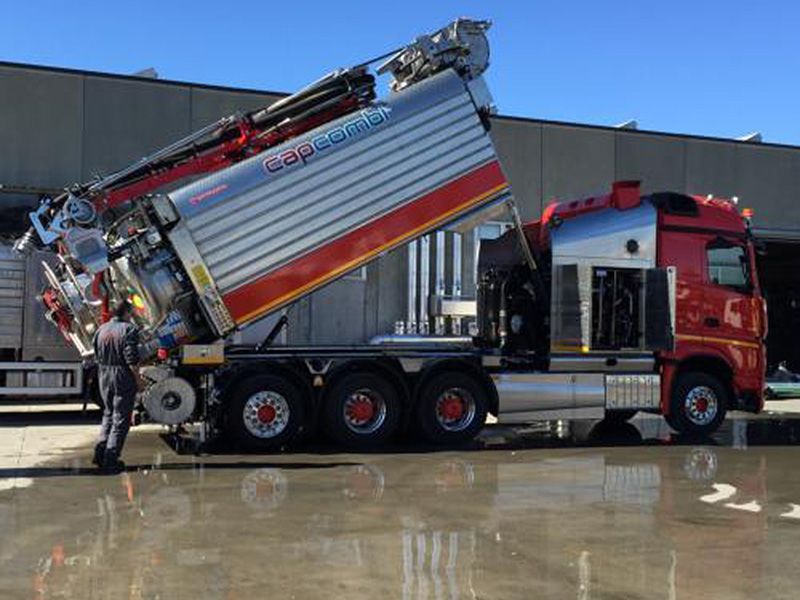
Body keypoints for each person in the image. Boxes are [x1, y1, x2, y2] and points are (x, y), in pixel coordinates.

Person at [92, 300, 141, 473]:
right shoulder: (129, 329)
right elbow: (131, 359)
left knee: (108, 414)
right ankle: (111, 459)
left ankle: (100, 454)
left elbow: (96, 354)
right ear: (127, 313)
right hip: (122, 376)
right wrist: (138, 380)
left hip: (103, 374)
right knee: (121, 418)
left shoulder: (101, 329)